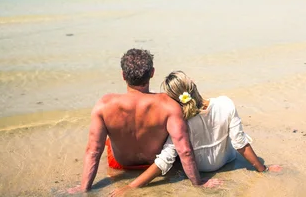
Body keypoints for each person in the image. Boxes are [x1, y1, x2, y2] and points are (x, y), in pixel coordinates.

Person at [68, 49, 216, 194]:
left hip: (120, 165)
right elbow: (185, 151)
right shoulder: (168, 104)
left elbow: (93, 151)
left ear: (123, 75)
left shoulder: (104, 105)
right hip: (154, 164)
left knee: (107, 141)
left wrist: (84, 189)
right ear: (152, 73)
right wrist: (199, 183)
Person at [116, 71, 281, 190]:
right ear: (193, 83)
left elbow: (164, 160)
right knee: (240, 136)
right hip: (227, 159)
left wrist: (131, 186)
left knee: (168, 148)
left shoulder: (179, 120)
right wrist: (263, 169)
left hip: (200, 169)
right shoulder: (225, 103)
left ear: (173, 99)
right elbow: (240, 144)